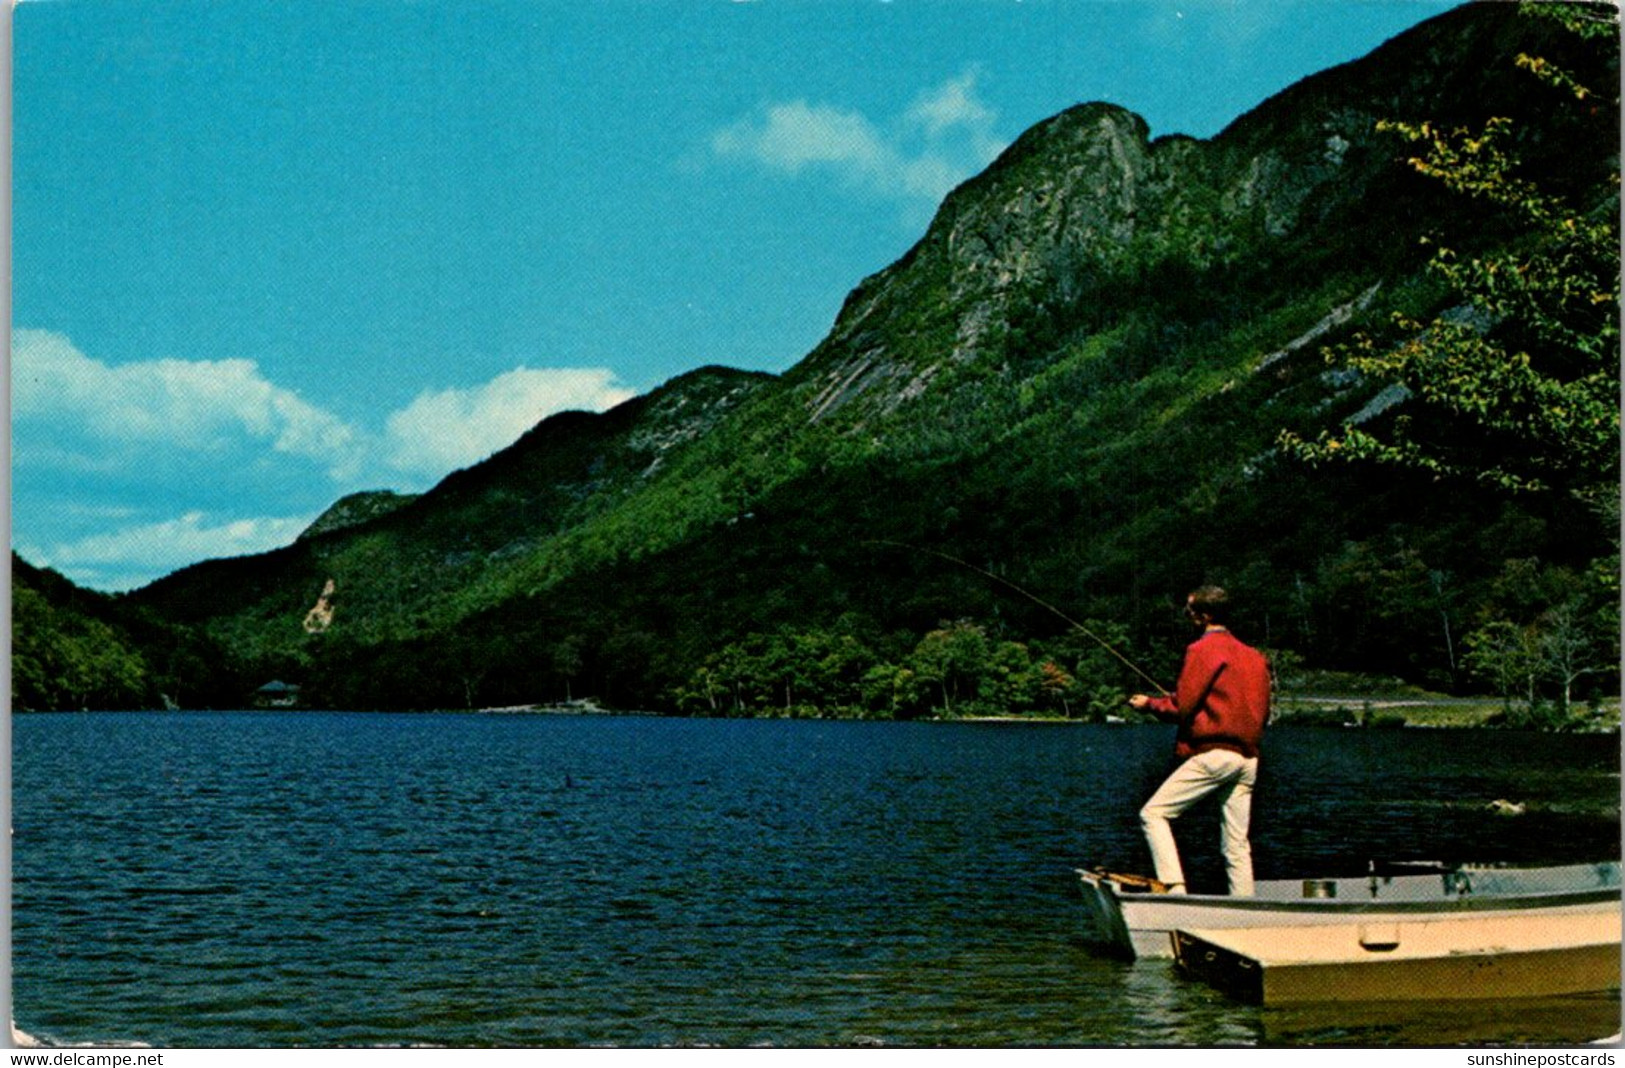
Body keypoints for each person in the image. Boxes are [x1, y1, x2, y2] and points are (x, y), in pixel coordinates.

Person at [1127, 585, 1270, 896]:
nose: (1187, 615)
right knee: (1236, 844)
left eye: (1189, 610)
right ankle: (1244, 905)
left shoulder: (1202, 650)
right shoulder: (1255, 657)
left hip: (1216, 755)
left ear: (1204, 616)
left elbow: (1182, 708)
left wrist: (1149, 704)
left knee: (1153, 814)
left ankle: (1174, 890)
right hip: (1248, 760)